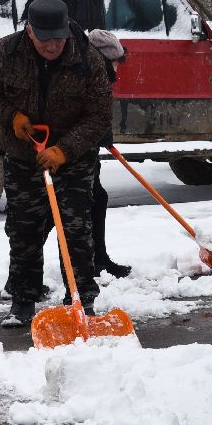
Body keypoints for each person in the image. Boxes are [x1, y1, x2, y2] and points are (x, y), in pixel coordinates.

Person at [0, 0, 112, 329]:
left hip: (73, 159)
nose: (52, 46)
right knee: (24, 230)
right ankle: (23, 300)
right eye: (45, 38)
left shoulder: (87, 59)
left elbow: (100, 115)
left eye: (59, 38)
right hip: (24, 156)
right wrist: (12, 117)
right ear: (30, 31)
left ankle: (81, 300)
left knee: (75, 229)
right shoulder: (5, 54)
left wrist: (64, 150)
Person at [87, 27, 133, 279]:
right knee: (49, 215)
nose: (116, 68)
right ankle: (22, 275)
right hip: (68, 154)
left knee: (98, 198)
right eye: (114, 62)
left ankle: (99, 258)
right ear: (102, 58)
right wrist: (97, 134)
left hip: (87, 150)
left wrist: (103, 135)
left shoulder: (98, 76)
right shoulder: (87, 75)